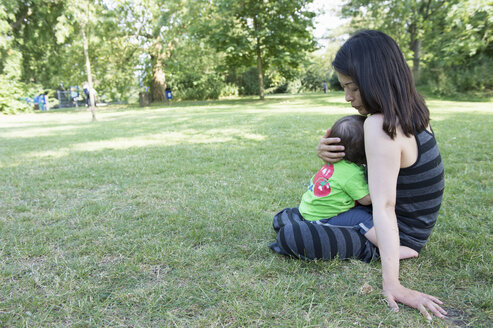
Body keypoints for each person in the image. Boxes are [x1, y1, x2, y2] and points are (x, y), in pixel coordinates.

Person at [270, 30, 446, 320]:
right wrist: (327, 152)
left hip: (393, 235)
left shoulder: (380, 125)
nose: (346, 97)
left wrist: (394, 283)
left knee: (292, 234)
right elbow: (385, 170)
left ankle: (303, 223)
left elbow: (385, 206)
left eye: (352, 87)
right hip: (397, 226)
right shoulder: (415, 112)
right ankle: (304, 219)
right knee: (294, 215)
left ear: (375, 79)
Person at [270, 115, 418, 260]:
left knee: (288, 221)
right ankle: (392, 250)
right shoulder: (352, 173)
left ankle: (296, 223)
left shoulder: (334, 162)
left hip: (309, 210)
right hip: (323, 218)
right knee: (362, 218)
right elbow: (366, 200)